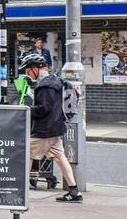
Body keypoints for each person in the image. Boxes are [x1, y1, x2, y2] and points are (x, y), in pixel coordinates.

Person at [19, 51, 82, 202]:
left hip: (45, 129)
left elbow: (44, 108)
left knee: (27, 154)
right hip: (55, 127)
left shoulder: (45, 85)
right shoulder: (56, 80)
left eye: (28, 70)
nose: (27, 73)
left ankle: (20, 191)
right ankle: (74, 192)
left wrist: (26, 110)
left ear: (36, 68)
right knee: (60, 157)